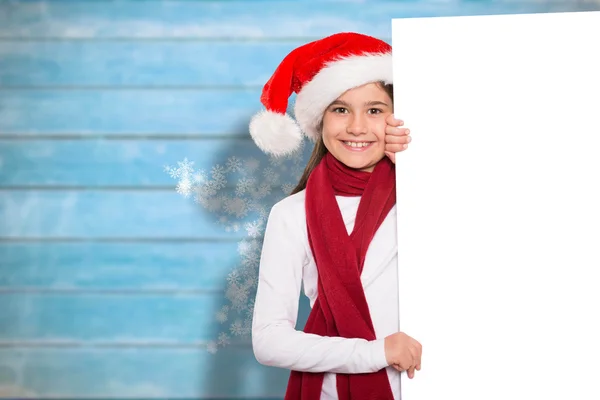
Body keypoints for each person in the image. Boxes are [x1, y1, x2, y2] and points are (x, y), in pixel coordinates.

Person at [249, 32, 421, 400]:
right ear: (320, 121)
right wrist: (376, 353)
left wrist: (418, 167)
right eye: (340, 109)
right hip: (334, 391)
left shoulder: (426, 197)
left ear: (396, 119)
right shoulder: (291, 214)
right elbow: (268, 340)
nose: (357, 127)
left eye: (375, 110)